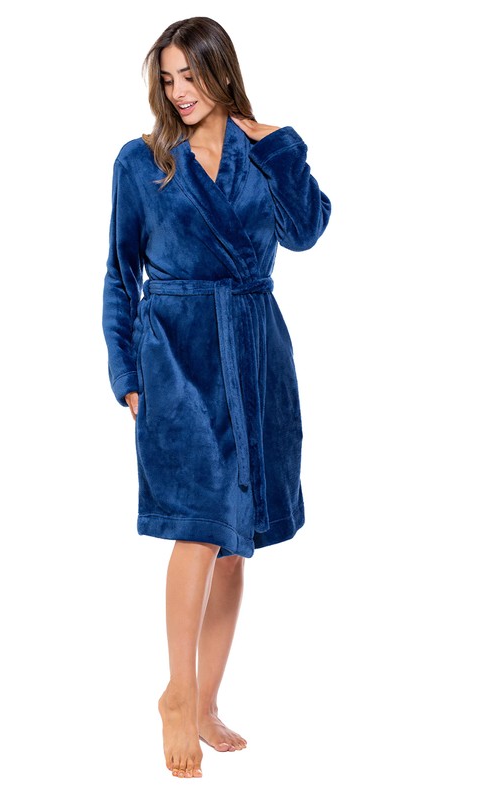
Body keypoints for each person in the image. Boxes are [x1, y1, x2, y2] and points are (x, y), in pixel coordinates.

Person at [102, 17, 331, 778]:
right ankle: (176, 692)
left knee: (236, 545)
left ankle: (205, 702)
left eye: (189, 76)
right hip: (177, 359)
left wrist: (276, 142)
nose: (178, 92)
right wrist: (127, 373)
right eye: (167, 79)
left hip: (257, 356)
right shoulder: (142, 162)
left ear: (220, 71)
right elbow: (119, 274)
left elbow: (306, 231)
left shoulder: (262, 151)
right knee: (199, 529)